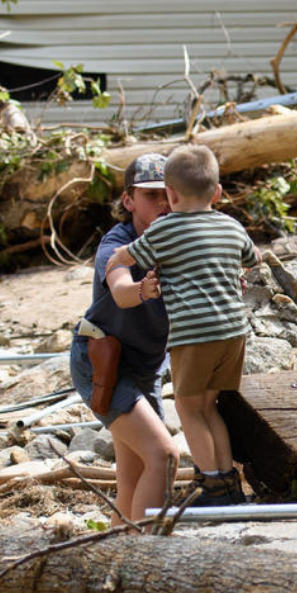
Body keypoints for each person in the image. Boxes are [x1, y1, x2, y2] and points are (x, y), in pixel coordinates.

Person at [106, 141, 259, 507]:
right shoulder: (231, 225)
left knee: (189, 408)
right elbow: (251, 259)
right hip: (234, 333)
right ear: (218, 192)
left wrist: (115, 258)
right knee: (210, 406)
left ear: (170, 195)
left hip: (195, 335)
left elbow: (130, 255)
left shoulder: (164, 230)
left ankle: (212, 485)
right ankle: (230, 483)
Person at [71, 151, 186, 523]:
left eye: (169, 193)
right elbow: (120, 287)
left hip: (145, 371)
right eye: (152, 195)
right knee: (165, 456)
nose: (163, 203)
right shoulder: (116, 242)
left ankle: (115, 561)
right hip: (103, 364)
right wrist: (142, 290)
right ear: (128, 200)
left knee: (133, 479)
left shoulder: (181, 243)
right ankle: (141, 558)